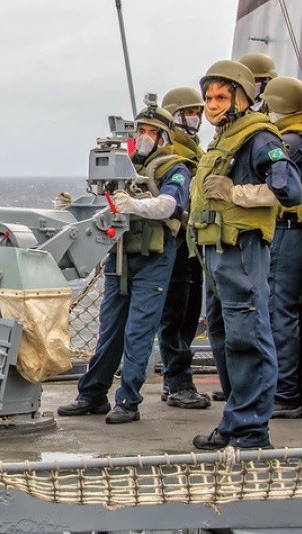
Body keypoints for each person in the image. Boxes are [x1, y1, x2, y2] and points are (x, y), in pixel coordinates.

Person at [189, 60, 302, 450]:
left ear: (242, 97)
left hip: (242, 250)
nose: (212, 105)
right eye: (208, 98)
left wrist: (236, 193)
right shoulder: (225, 138)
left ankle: (251, 430)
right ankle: (236, 421)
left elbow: (290, 188)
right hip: (217, 253)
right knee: (228, 338)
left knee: (249, 337)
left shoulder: (259, 137)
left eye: (221, 97)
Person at [58, 104, 191, 424]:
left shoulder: (175, 168)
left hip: (154, 256)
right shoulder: (123, 165)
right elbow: (102, 204)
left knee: (138, 331)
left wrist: (134, 204)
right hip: (120, 255)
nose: (145, 137)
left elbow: (170, 204)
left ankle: (128, 400)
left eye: (152, 132)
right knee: (110, 329)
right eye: (141, 131)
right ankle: (92, 393)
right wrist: (73, 208)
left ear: (164, 137)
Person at [155, 87, 210, 409]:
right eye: (188, 112)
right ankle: (177, 383)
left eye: (197, 112)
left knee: (189, 312)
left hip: (193, 243)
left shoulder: (195, 151)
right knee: (175, 315)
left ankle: (175, 379)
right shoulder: (171, 154)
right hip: (175, 243)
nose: (195, 118)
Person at [260, 76, 302, 419]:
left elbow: (275, 185)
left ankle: (284, 392)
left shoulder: (288, 142)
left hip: (290, 231)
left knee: (280, 310)